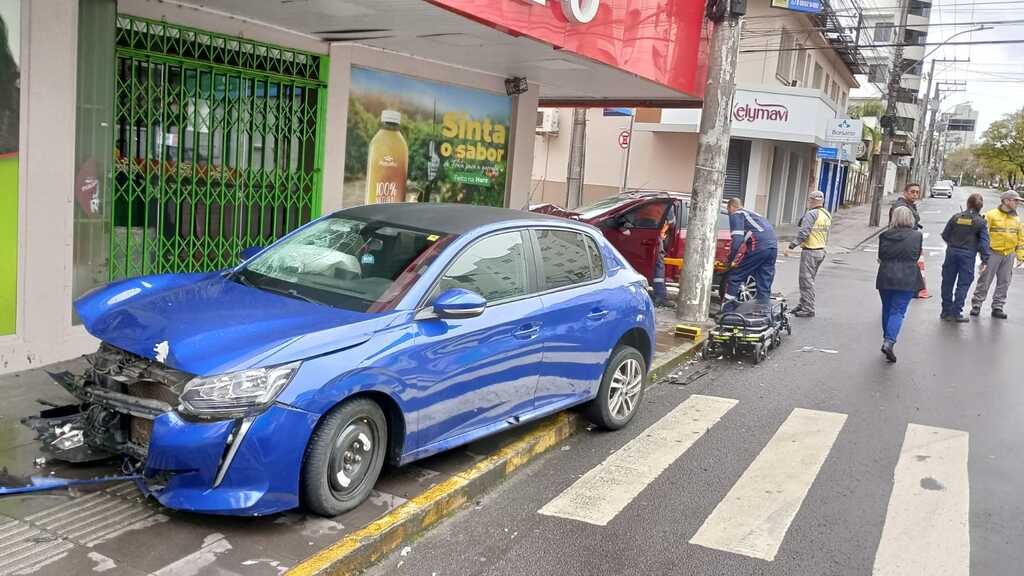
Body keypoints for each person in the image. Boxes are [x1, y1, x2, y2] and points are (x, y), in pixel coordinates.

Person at [876, 206, 923, 363]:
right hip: (907, 277)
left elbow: (881, 256)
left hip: (886, 275)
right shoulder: (917, 236)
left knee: (887, 309)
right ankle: (889, 341)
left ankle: (887, 339)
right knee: (898, 311)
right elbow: (916, 256)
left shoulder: (884, 235)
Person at [970, 190, 1024, 319]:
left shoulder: (1016, 218)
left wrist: (1020, 255)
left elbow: (1020, 238)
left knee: (1004, 282)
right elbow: (982, 235)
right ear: (1006, 201)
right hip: (992, 253)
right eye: (1015, 200)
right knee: (985, 280)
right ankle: (977, 304)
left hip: (1009, 254)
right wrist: (983, 254)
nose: (1017, 203)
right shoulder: (990, 215)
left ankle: (998, 307)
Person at [940, 193, 991, 322]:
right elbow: (984, 243)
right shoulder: (980, 222)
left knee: (947, 282)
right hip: (968, 256)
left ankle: (945, 311)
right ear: (980, 207)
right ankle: (956, 312)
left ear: (968, 204)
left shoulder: (956, 218)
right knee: (963, 284)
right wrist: (985, 260)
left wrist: (953, 244)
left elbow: (945, 235)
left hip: (951, 253)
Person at [723, 197, 777, 312]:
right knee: (764, 280)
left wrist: (731, 260)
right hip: (773, 247)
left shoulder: (736, 214)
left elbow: (737, 240)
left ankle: (726, 311)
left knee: (735, 276)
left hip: (759, 246)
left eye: (728, 211)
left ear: (731, 207)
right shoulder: (753, 214)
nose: (728, 214)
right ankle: (763, 312)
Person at [787, 191, 832, 318]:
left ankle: (808, 308)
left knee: (806, 281)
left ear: (811, 200)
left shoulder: (811, 214)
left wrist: (792, 245)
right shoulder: (826, 214)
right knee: (809, 280)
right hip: (821, 251)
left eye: (809, 200)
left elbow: (804, 232)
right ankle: (803, 304)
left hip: (811, 251)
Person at [652, 204, 676, 308]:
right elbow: (672, 222)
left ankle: (658, 296)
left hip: (651, 235)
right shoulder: (667, 205)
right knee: (659, 266)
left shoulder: (650, 204)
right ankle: (660, 297)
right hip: (657, 236)